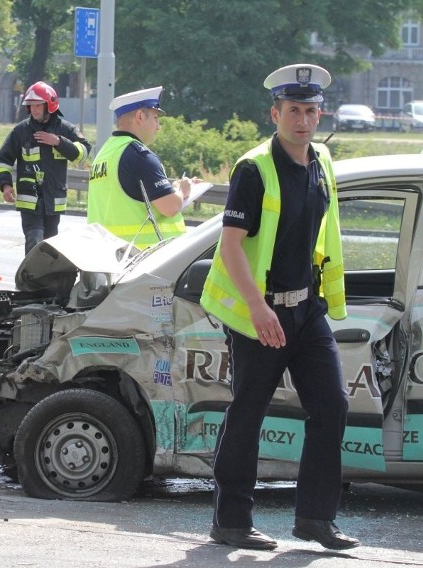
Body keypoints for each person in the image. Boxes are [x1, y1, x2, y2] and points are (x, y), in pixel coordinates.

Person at [199, 64, 359, 551]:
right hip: (259, 312)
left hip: (307, 309)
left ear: (319, 113)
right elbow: (230, 247)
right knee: (248, 412)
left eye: (311, 111)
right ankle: (231, 522)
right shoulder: (254, 169)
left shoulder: (322, 160)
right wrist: (258, 310)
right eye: (293, 110)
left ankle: (314, 518)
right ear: (275, 113)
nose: (303, 120)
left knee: (331, 405)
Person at [87, 86, 198, 248]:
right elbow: (170, 207)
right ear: (140, 116)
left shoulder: (105, 153)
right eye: (155, 118)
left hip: (106, 253)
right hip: (141, 258)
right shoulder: (141, 156)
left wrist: (172, 188)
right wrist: (183, 190)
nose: (158, 126)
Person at [0, 81, 91, 254]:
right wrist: (6, 185)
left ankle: (48, 280)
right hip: (30, 200)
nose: (34, 110)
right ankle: (31, 280)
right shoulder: (21, 131)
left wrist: (59, 142)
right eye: (31, 106)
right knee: (34, 239)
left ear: (49, 105)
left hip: (53, 200)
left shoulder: (66, 129)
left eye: (38, 105)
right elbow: (2, 159)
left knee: (50, 246)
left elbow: (83, 152)